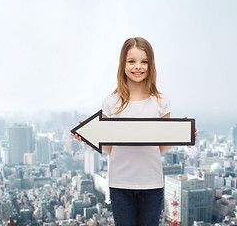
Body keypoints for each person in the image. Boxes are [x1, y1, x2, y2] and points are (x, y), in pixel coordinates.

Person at [71, 37, 198, 226]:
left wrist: (180, 135)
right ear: (123, 64)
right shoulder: (111, 102)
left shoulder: (161, 102)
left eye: (144, 61)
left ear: (150, 65)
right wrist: (90, 138)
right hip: (120, 183)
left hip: (152, 183)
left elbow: (161, 148)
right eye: (131, 61)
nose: (138, 67)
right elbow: (110, 148)